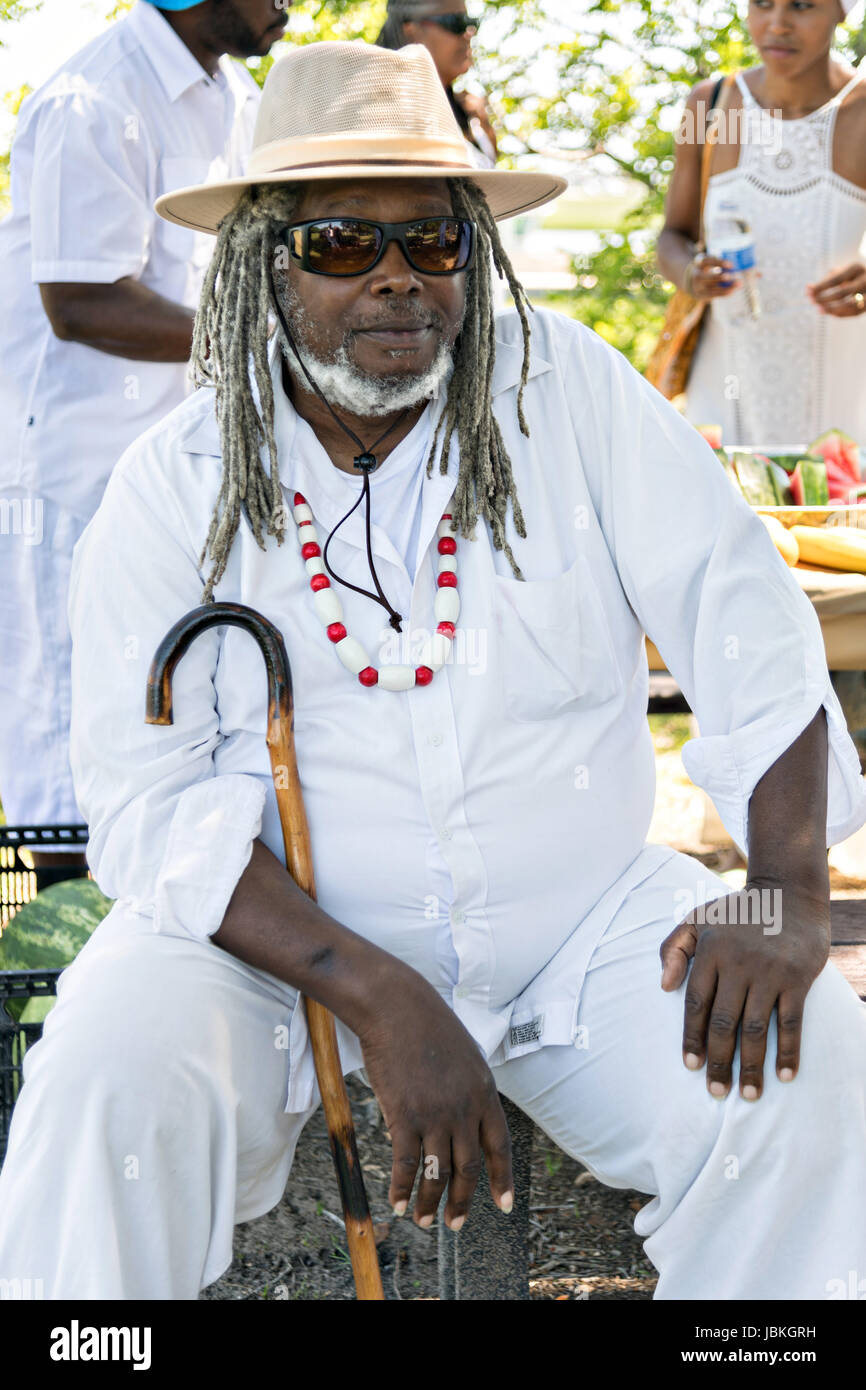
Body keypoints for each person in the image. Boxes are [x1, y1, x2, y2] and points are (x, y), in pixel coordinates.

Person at [1, 40, 865, 1302]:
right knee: (99, 1086)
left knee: (810, 1062)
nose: (399, 282)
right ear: (263, 268)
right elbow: (151, 803)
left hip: (578, 922)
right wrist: (380, 992)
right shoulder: (178, 481)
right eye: (345, 244)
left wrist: (783, 888)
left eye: (434, 244)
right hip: (271, 955)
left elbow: (741, 616)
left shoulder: (564, 391)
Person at [0, 0, 288, 873]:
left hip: (172, 463)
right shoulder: (95, 96)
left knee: (164, 700)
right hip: (71, 469)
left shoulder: (233, 94)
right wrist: (265, 340)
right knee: (63, 723)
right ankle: (56, 974)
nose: (291, 4)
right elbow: (83, 300)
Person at [657, 0, 866, 447]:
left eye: (802, 5)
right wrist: (692, 274)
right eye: (762, 4)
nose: (777, 24)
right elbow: (673, 237)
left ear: (843, 11)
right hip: (724, 399)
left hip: (848, 406)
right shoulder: (711, 106)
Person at [377, 0, 498, 168]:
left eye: (470, 22)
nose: (468, 32)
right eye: (455, 22)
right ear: (412, 32)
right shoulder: (382, 114)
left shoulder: (472, 115)